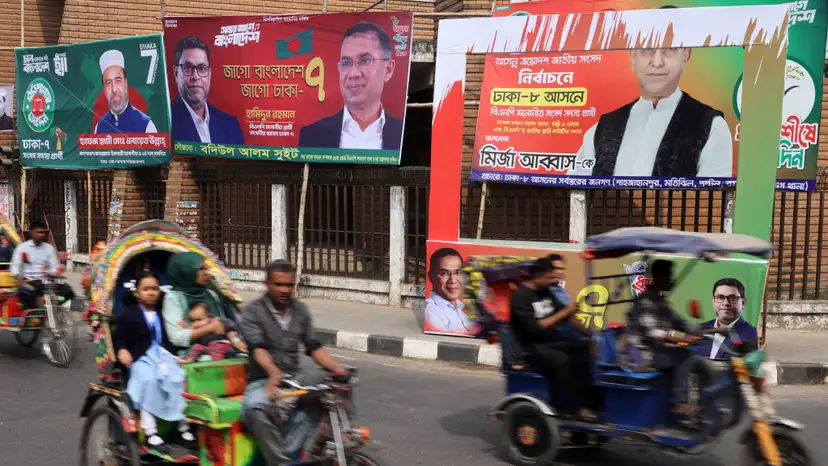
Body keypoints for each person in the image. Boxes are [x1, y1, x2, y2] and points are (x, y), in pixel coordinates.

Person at [574, 12, 732, 178]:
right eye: (647, 49)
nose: (657, 62)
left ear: (686, 55)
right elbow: (576, 193)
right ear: (633, 57)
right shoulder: (602, 128)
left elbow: (713, 200)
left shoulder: (711, 127)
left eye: (669, 49)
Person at [240, 259, 350, 465]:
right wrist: (273, 372)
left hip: (294, 380)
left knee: (336, 385)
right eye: (279, 285)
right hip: (262, 380)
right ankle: (279, 461)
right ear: (267, 284)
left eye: (289, 285)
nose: (284, 290)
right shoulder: (253, 312)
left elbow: (314, 348)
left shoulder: (301, 311)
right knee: (255, 409)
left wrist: (338, 369)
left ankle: (321, 446)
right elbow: (258, 349)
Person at [624, 260, 724, 415]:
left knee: (697, 360)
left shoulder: (659, 301)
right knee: (685, 358)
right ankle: (678, 402)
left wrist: (711, 329)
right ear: (658, 277)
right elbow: (653, 332)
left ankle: (702, 400)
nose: (671, 280)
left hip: (655, 350)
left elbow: (678, 322)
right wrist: (681, 339)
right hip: (641, 354)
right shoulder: (644, 303)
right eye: (668, 276)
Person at [509, 256, 596, 421]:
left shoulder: (546, 291)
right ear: (538, 276)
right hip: (532, 346)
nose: (552, 280)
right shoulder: (520, 297)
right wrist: (565, 312)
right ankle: (570, 407)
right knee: (561, 360)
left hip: (553, 341)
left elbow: (568, 317)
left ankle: (589, 402)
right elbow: (536, 327)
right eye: (549, 277)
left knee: (583, 349)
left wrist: (591, 335)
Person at [114, 273, 194, 448]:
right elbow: (119, 337)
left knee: (179, 378)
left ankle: (183, 427)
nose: (151, 293)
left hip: (162, 356)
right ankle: (150, 431)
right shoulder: (129, 315)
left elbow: (165, 340)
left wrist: (174, 357)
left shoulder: (161, 313)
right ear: (137, 293)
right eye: (146, 289)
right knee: (148, 380)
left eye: (155, 289)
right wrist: (122, 350)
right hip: (140, 358)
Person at [298, 22, 403, 150]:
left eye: (365, 61)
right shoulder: (312, 135)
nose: (353, 74)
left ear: (388, 70)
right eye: (346, 63)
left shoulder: (403, 134)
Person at [170, 36, 244, 145]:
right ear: (176, 73)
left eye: (201, 68)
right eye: (187, 68)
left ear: (209, 75)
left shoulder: (230, 125)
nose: (195, 77)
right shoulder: (166, 123)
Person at [161, 252, 229, 351]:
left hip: (221, 347)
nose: (206, 273)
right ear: (187, 271)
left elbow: (223, 325)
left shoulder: (211, 293)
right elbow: (176, 338)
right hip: (192, 353)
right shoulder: (174, 297)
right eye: (201, 269)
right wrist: (210, 328)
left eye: (206, 268)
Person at [11, 220, 75, 310]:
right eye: (39, 232)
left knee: (68, 291)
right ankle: (35, 316)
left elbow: (54, 267)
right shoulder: (22, 248)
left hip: (46, 282)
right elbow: (15, 267)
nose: (42, 235)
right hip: (29, 282)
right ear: (31, 233)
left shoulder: (49, 248)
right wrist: (19, 276)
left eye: (44, 233)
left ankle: (66, 314)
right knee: (29, 295)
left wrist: (54, 271)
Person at [693, 278, 758, 360]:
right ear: (713, 301)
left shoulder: (754, 335)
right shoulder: (697, 330)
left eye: (732, 298)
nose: (725, 303)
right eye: (720, 297)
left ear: (743, 302)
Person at [94, 50, 157, 134]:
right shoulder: (99, 127)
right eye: (108, 83)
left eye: (118, 80)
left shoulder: (146, 125)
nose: (114, 89)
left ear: (126, 83)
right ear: (104, 89)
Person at [424, 248, 477, 335]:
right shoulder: (432, 312)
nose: (452, 280)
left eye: (458, 272)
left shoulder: (461, 307)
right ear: (430, 277)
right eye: (444, 273)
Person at [183, 300, 248, 362]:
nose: (196, 323)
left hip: (221, 344)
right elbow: (189, 335)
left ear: (209, 317)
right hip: (208, 349)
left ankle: (222, 360)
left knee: (218, 347)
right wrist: (185, 327)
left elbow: (229, 326)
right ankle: (188, 360)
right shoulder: (197, 329)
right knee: (196, 348)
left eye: (199, 319)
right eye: (193, 321)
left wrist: (235, 341)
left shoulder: (216, 322)